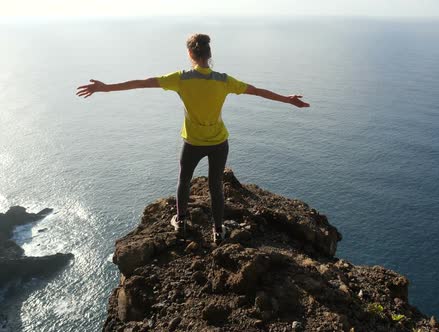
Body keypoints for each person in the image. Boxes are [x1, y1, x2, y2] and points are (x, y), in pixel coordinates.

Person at [76, 33, 309, 244]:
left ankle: (182, 222)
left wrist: (105, 88)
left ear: (190, 54)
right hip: (219, 142)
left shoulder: (181, 78)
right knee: (215, 185)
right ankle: (218, 231)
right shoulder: (223, 80)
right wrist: (288, 100)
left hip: (193, 142)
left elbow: (142, 83)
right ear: (209, 54)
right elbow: (258, 91)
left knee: (184, 180)